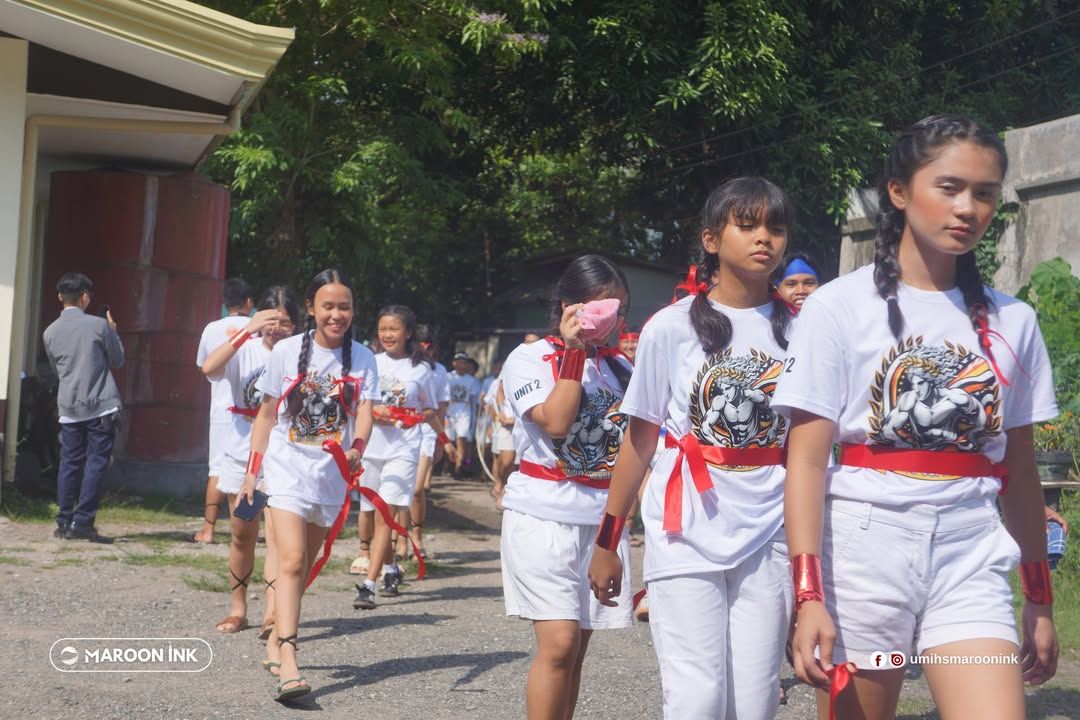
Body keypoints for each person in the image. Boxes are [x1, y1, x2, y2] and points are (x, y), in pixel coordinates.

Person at [774, 114, 1059, 720]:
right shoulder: (837, 307)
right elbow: (804, 461)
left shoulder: (1015, 322)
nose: (968, 208)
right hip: (863, 555)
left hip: (971, 554)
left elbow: (1024, 472)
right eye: (949, 187)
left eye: (984, 193)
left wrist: (1038, 597)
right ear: (899, 194)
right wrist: (808, 595)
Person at [590, 177, 795, 719]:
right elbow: (639, 441)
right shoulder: (670, 329)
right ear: (710, 239)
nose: (764, 239)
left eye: (775, 228)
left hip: (771, 528)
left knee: (755, 703)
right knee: (697, 697)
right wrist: (610, 540)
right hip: (684, 528)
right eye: (746, 225)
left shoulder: (806, 331)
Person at [500, 254, 634, 720]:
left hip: (599, 524)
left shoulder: (621, 370)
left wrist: (620, 536)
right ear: (567, 306)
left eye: (614, 308)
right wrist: (575, 351)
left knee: (576, 651)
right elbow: (556, 422)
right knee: (558, 644)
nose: (606, 317)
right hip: (541, 514)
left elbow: (634, 454)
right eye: (595, 307)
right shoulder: (528, 358)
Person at [239, 269, 378, 701]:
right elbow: (265, 413)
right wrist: (252, 471)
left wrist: (357, 446)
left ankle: (273, 634)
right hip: (285, 467)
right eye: (328, 306)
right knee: (293, 560)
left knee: (301, 568)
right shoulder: (284, 351)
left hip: (331, 475)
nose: (337, 314)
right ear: (312, 308)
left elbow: (367, 412)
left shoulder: (364, 357)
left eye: (345, 307)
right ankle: (289, 658)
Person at [198, 286, 300, 637]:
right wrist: (247, 329)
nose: (276, 329)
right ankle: (238, 608)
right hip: (241, 456)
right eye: (270, 321)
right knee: (243, 534)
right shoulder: (245, 347)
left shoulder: (301, 353)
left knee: (277, 538)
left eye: (284, 323)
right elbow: (208, 367)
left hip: (284, 457)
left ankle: (273, 611)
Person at [352, 305, 456, 610]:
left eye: (394, 329)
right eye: (383, 329)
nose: (387, 335)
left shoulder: (422, 369)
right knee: (372, 512)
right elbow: (357, 402)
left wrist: (444, 440)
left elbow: (429, 410)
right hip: (372, 448)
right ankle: (390, 568)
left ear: (408, 332)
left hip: (404, 448)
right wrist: (373, 410)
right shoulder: (369, 362)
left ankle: (368, 585)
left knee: (386, 513)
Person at [43, 272, 125, 541]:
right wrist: (113, 332)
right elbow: (117, 359)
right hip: (100, 405)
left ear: (59, 297)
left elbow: (58, 371)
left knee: (69, 463)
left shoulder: (50, 333)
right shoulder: (99, 326)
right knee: (96, 463)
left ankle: (63, 521)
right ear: (85, 297)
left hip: (68, 407)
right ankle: (83, 522)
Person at [194, 277, 255, 544]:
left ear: (224, 303)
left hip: (221, 408)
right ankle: (243, 529)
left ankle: (208, 529)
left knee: (217, 467)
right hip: (251, 411)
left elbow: (203, 367)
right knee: (252, 468)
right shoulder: (259, 329)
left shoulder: (211, 328)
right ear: (249, 302)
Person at [446, 351, 481, 478]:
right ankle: (449, 465)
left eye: (464, 363)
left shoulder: (471, 380)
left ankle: (458, 467)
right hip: (450, 413)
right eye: (458, 362)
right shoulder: (448, 377)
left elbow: (474, 401)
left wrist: (474, 417)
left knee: (462, 440)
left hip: (464, 413)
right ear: (454, 363)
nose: (461, 365)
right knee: (449, 440)